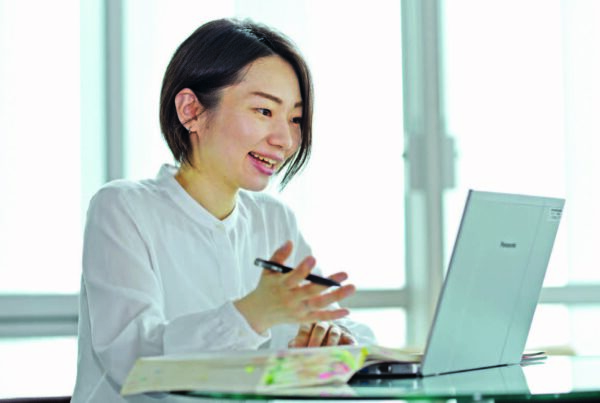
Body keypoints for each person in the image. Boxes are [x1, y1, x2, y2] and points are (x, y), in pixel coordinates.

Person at [72, 18, 374, 402]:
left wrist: (332, 343)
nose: (285, 139)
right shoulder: (123, 208)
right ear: (191, 111)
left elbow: (349, 332)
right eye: (264, 111)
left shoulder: (273, 219)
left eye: (295, 118)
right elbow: (132, 360)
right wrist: (251, 315)